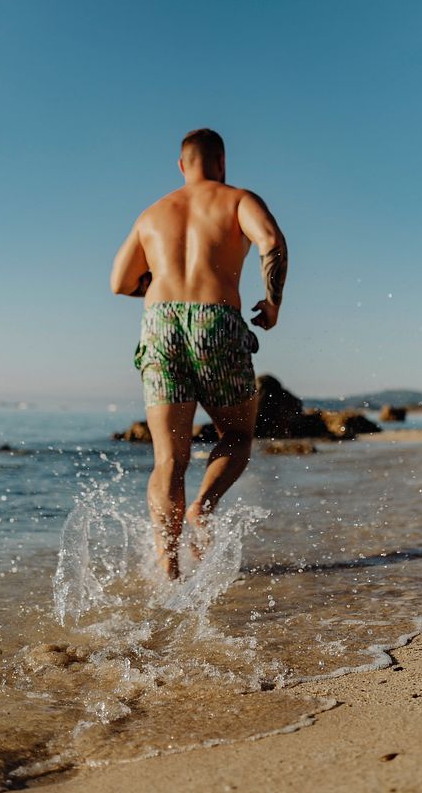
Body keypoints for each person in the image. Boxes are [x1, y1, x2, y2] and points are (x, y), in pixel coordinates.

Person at [110, 129, 288, 579]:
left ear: (181, 165)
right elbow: (271, 242)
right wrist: (272, 303)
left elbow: (120, 282)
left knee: (169, 459)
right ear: (222, 162)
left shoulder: (152, 213)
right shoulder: (237, 199)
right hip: (216, 319)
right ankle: (202, 509)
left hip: (160, 324)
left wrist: (164, 292)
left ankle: (169, 572)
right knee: (237, 437)